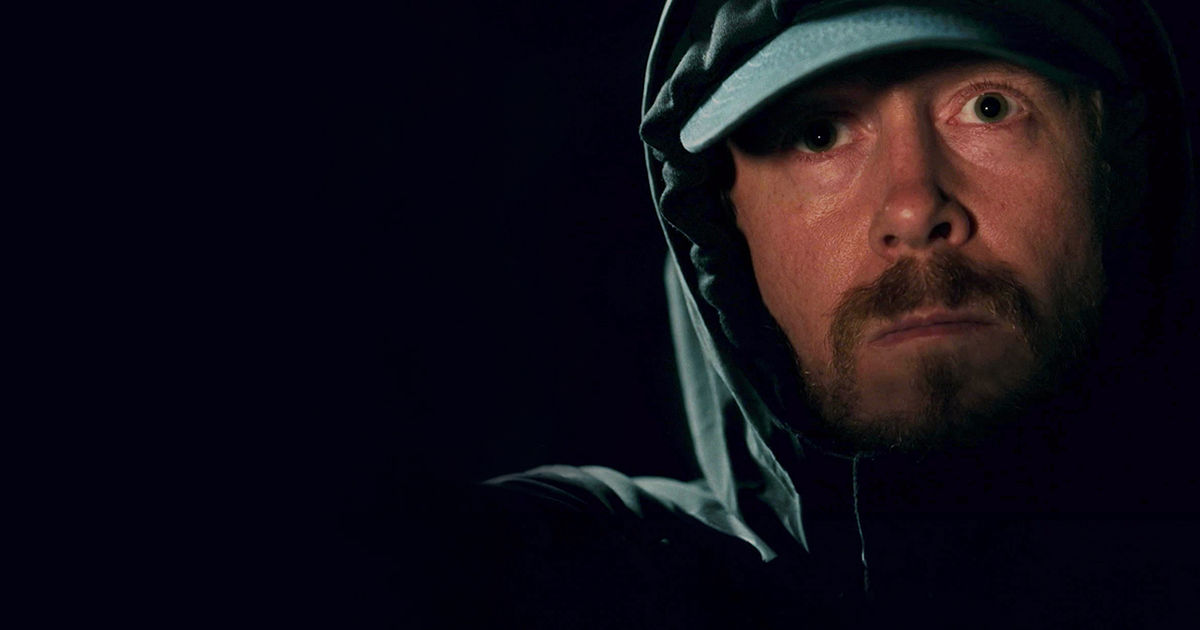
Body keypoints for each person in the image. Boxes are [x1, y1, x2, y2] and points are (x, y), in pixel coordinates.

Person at [408, 1, 1198, 627]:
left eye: (990, 107)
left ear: (1119, 158)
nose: (913, 208)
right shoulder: (602, 564)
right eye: (817, 133)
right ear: (721, 222)